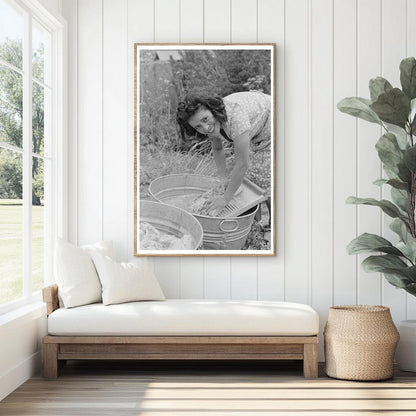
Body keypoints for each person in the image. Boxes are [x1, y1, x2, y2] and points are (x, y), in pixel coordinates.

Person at [176, 90, 271, 214]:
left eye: (205, 119)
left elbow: (242, 164)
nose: (205, 128)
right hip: (256, 128)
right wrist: (223, 178)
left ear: (213, 110)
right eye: (198, 127)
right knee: (247, 177)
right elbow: (217, 148)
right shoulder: (213, 121)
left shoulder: (236, 118)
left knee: (266, 177)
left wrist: (225, 199)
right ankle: (254, 220)